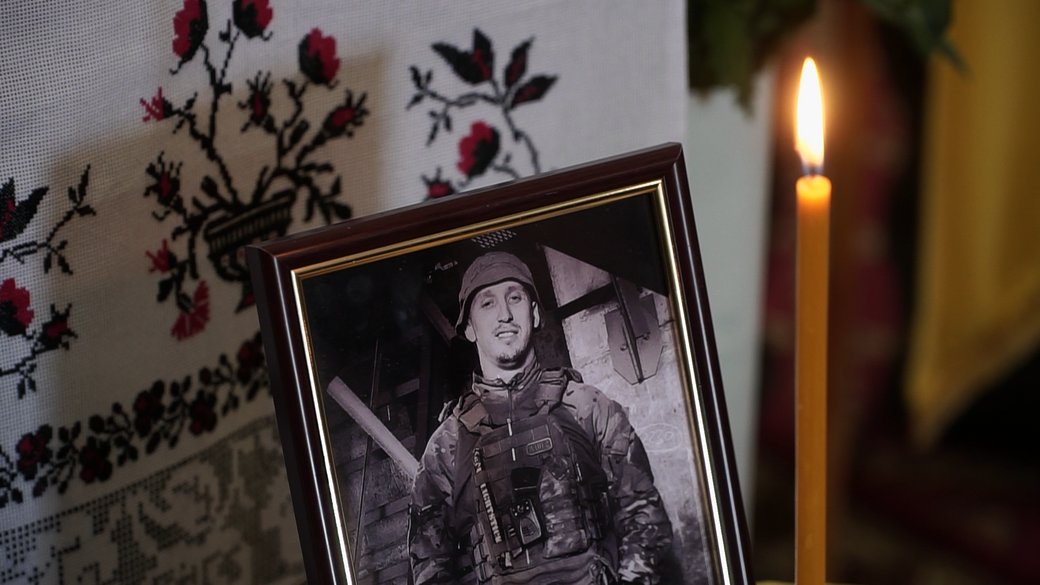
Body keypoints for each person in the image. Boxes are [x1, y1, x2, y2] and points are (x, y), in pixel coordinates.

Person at [408, 251, 672, 585]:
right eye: (487, 303)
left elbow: (644, 515)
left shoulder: (588, 408)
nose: (504, 314)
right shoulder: (446, 446)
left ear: (533, 314)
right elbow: (428, 566)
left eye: (515, 298)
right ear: (469, 327)